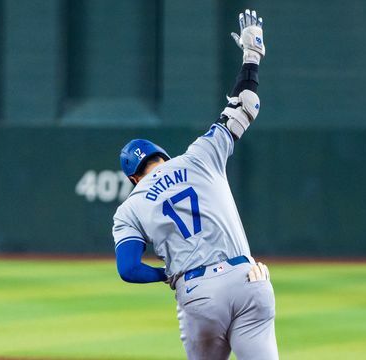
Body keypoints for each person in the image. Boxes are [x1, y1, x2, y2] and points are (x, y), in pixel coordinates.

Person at [112, 9, 278, 360]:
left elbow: (128, 269)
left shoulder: (130, 207)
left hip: (199, 291)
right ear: (163, 155)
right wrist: (252, 57)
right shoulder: (200, 155)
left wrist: (165, 276)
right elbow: (245, 105)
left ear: (132, 178)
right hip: (249, 277)